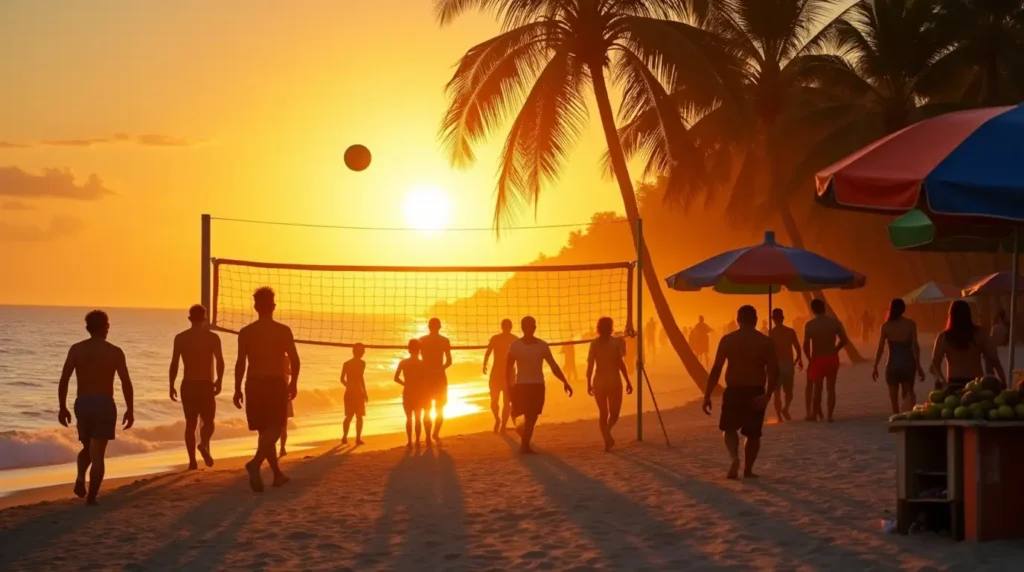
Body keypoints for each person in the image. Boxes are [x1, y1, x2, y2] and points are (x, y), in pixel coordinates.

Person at [57, 310, 135, 505]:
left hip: (83, 404)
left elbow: (64, 379)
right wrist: (130, 409)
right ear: (106, 327)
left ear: (87, 328)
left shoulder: (76, 349)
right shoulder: (115, 352)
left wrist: (62, 407)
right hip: (104, 404)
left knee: (87, 448)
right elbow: (126, 382)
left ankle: (81, 477)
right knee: (98, 453)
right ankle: (91, 497)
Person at [234, 287, 299, 493]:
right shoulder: (283, 330)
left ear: (255, 307)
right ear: (273, 306)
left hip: (252, 384)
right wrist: (293, 382)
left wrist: (237, 388)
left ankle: (277, 475)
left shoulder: (245, 332)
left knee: (264, 432)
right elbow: (296, 360)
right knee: (276, 428)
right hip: (274, 383)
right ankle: (255, 463)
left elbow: (240, 364)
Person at [702, 305, 778, 479]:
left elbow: (716, 369)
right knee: (753, 434)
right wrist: (767, 395)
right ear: (756, 320)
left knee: (729, 429)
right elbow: (774, 370)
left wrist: (707, 394)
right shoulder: (765, 342)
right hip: (756, 391)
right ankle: (748, 469)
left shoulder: (728, 340)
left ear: (738, 320)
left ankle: (734, 458)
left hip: (734, 390)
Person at [506, 316, 573, 454]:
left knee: (532, 417)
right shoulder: (515, 345)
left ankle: (524, 446)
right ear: (524, 328)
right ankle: (524, 438)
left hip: (537, 384)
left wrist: (565, 381)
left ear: (535, 327)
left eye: (534, 325)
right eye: (530, 325)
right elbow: (508, 367)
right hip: (521, 385)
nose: (533, 328)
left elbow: (553, 366)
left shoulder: (542, 345)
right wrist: (508, 385)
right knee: (515, 414)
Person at [169, 304, 224, 470]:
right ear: (205, 318)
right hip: (205, 384)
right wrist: (220, 380)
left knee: (190, 424)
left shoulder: (180, 338)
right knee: (209, 422)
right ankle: (204, 443)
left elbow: (174, 363)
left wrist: (171, 384)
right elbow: (220, 361)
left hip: (188, 384)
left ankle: (192, 461)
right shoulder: (212, 338)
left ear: (189, 318)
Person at [931, 300, 1005, 392]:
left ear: (951, 315)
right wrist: (1004, 382)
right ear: (969, 314)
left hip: (954, 383)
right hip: (977, 383)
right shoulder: (980, 333)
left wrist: (942, 380)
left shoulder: (943, 337)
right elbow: (994, 360)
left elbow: (935, 364)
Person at [587, 317, 633, 451]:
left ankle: (607, 438)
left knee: (603, 413)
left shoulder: (594, 343)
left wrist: (588, 382)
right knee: (614, 414)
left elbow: (590, 365)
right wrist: (628, 381)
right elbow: (620, 363)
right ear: (611, 327)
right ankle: (607, 434)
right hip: (613, 379)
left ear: (598, 328)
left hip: (599, 380)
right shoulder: (616, 342)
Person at [872, 299, 926, 414]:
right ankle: (906, 415)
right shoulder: (910, 324)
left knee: (893, 393)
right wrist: (919, 365)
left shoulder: (885, 326)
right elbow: (915, 346)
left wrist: (875, 366)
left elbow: (880, 348)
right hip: (908, 363)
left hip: (892, 364)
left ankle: (896, 414)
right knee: (907, 393)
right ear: (903, 309)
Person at [803, 299, 849, 423]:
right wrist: (836, 349)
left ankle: (814, 414)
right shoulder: (834, 322)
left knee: (817, 389)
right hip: (832, 358)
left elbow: (806, 345)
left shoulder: (810, 325)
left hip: (817, 358)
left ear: (812, 309)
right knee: (831, 388)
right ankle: (829, 416)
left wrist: (809, 358)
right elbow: (844, 340)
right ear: (824, 308)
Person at [420, 318, 452, 444]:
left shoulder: (423, 340)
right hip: (435, 377)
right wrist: (440, 369)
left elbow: (449, 361)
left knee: (429, 409)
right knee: (436, 409)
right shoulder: (441, 341)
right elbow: (449, 361)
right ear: (440, 326)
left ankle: (431, 435)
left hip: (431, 377)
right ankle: (433, 434)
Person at [483, 319, 518, 433]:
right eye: (505, 326)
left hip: (509, 373)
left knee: (506, 401)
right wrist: (484, 364)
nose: (506, 328)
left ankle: (503, 425)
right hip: (497, 372)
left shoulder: (515, 339)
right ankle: (498, 420)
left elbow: (519, 356)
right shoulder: (495, 338)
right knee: (494, 400)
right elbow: (488, 352)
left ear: (510, 327)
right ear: (502, 327)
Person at [768, 309, 802, 423]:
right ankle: (785, 409)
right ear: (782, 318)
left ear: (773, 319)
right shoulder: (790, 332)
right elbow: (797, 347)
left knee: (777, 392)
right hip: (787, 364)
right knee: (788, 391)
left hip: (776, 366)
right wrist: (799, 358)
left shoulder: (771, 334)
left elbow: (767, 351)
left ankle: (780, 415)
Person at [395, 339, 426, 448]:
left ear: (409, 349)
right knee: (418, 418)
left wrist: (405, 384)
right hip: (419, 393)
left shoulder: (403, 362)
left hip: (407, 391)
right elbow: (425, 379)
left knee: (409, 418)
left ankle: (409, 441)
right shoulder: (422, 363)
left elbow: (396, 378)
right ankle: (417, 441)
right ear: (419, 350)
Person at [341, 343, 368, 445]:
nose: (363, 353)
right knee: (358, 416)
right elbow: (360, 379)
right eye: (362, 351)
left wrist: (348, 386)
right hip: (356, 392)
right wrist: (364, 392)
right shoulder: (362, 363)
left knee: (349, 416)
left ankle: (345, 437)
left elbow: (342, 379)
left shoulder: (347, 363)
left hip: (351, 392)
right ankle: (357, 438)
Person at [280, 355, 294, 458]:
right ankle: (282, 448)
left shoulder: (269, 354)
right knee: (283, 425)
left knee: (275, 425)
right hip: (283, 395)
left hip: (273, 394)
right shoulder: (285, 358)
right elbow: (288, 371)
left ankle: (281, 448)